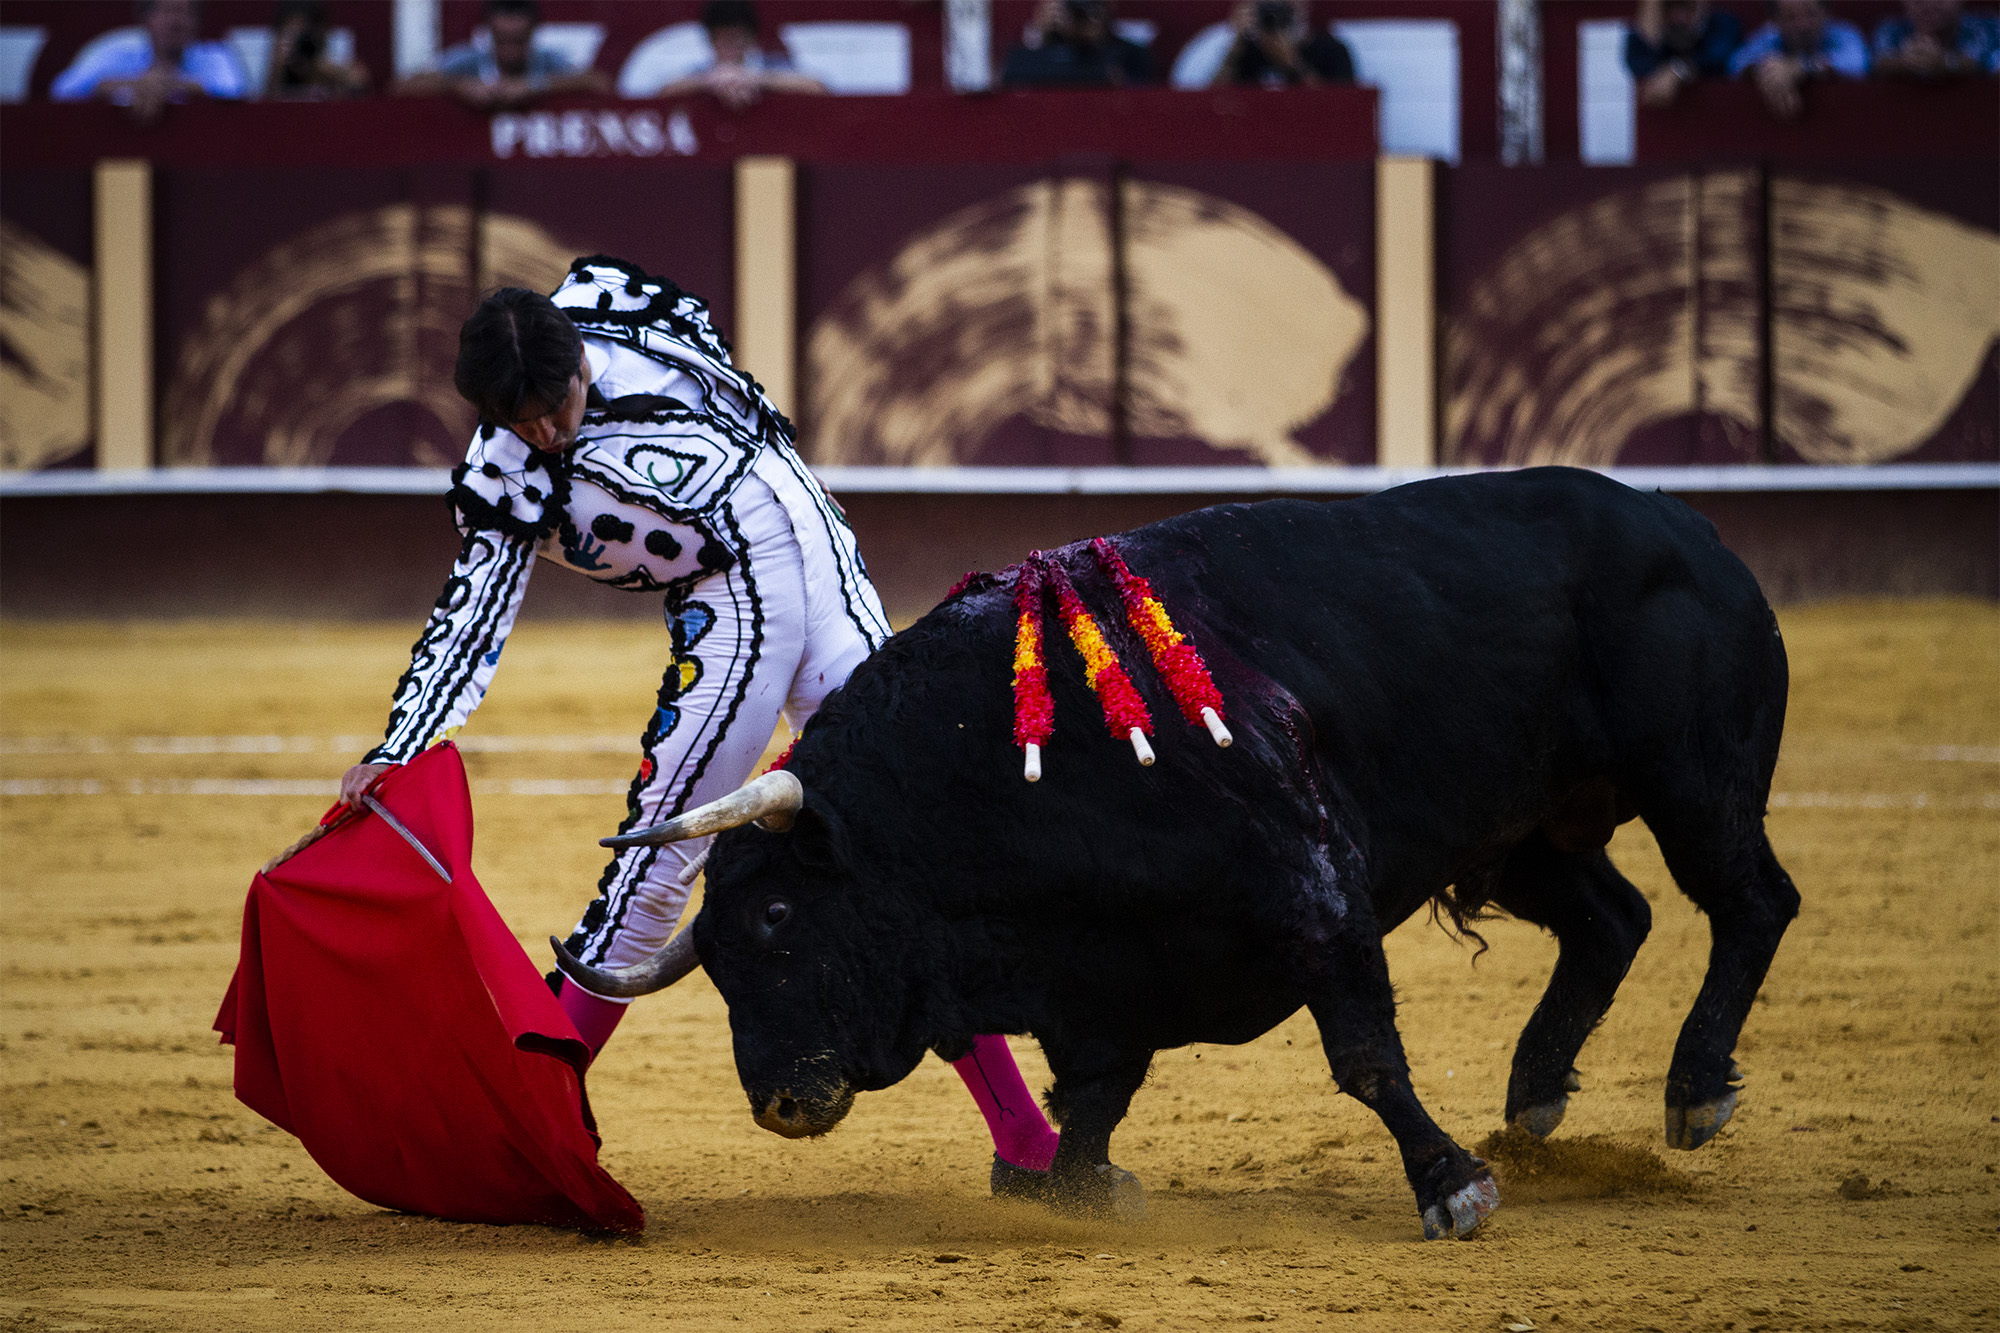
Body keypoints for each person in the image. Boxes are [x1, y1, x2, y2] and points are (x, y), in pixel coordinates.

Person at [338, 257, 1065, 1192]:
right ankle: (1029, 1146)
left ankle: (518, 1140)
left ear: (576, 363)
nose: (548, 433)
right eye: (521, 424)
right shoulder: (532, 428)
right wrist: (401, 744)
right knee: (826, 842)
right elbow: (474, 608)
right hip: (776, 546)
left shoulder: (588, 336)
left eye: (556, 407)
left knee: (725, 853)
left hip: (789, 552)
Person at [50, 0, 248, 122]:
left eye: (186, 12)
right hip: (118, 159)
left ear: (198, 20)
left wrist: (167, 86)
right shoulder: (116, 49)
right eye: (168, 11)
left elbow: (235, 91)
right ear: (147, 16)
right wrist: (133, 85)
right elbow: (63, 89)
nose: (176, 22)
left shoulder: (213, 56)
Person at [394, 0, 608, 111]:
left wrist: (533, 86)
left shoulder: (547, 61)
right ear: (489, 32)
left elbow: (600, 83)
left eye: (518, 40)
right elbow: (401, 87)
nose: (510, 49)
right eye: (502, 40)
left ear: (533, 32)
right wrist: (460, 87)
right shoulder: (467, 60)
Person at [647, 0, 827, 110]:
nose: (729, 47)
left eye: (735, 39)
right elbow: (661, 93)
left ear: (750, 39)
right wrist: (711, 81)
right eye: (721, 39)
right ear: (710, 39)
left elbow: (817, 87)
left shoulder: (772, 67)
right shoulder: (698, 72)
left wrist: (754, 79)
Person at [1729, 0, 1869, 118]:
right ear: (1774, 20)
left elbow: (1858, 64)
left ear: (1826, 13)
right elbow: (1736, 64)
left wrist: (1801, 67)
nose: (1803, 25)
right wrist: (1768, 71)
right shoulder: (1769, 37)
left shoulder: (1844, 34)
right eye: (1790, 17)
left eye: (1810, 14)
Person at [999, 0, 1153, 88]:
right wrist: (1042, 38)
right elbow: (1011, 87)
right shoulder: (1035, 54)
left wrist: (1099, 44)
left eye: (1092, 4)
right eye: (1075, 6)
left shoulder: (1132, 56)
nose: (1083, 13)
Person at [1624, 0, 1743, 107]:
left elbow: (1718, 57)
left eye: (1687, 6)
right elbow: (1639, 61)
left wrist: (1677, 70)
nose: (1679, 18)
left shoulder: (1724, 25)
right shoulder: (1643, 39)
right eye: (1669, 7)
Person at [1211, 0, 1354, 88]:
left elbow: (1339, 108)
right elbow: (1214, 102)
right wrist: (1237, 42)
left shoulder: (1333, 50)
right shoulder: (1247, 51)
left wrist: (1293, 64)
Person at [266, 0, 368, 100]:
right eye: (291, 32)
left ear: (321, 31)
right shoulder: (275, 60)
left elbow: (358, 85)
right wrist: (277, 69)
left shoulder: (334, 58)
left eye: (303, 32)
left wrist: (318, 68)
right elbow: (265, 105)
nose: (298, 41)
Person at [1871, 0, 2000, 77]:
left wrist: (1946, 63)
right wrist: (1907, 62)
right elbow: (1878, 63)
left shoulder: (1988, 28)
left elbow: (1980, 63)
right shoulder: (1891, 29)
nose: (1929, 4)